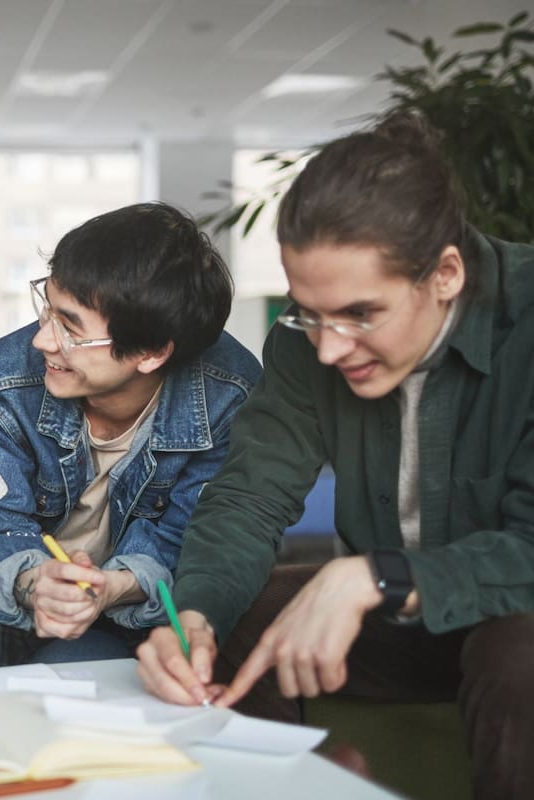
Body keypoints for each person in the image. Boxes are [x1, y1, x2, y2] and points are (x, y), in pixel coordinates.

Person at [135, 113, 534, 800]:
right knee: (233, 614)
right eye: (308, 313)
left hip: (507, 622)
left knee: (520, 655)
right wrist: (194, 615)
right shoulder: (305, 341)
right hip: (397, 627)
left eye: (359, 315)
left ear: (445, 274)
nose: (327, 348)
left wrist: (375, 576)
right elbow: (249, 497)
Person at [0, 203, 262, 669]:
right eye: (48, 310)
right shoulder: (0, 380)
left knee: (185, 648)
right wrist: (37, 583)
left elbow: (193, 538)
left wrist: (113, 588)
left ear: (150, 352)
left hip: (140, 575)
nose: (42, 341)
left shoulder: (228, 394)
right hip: (21, 553)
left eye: (71, 329)